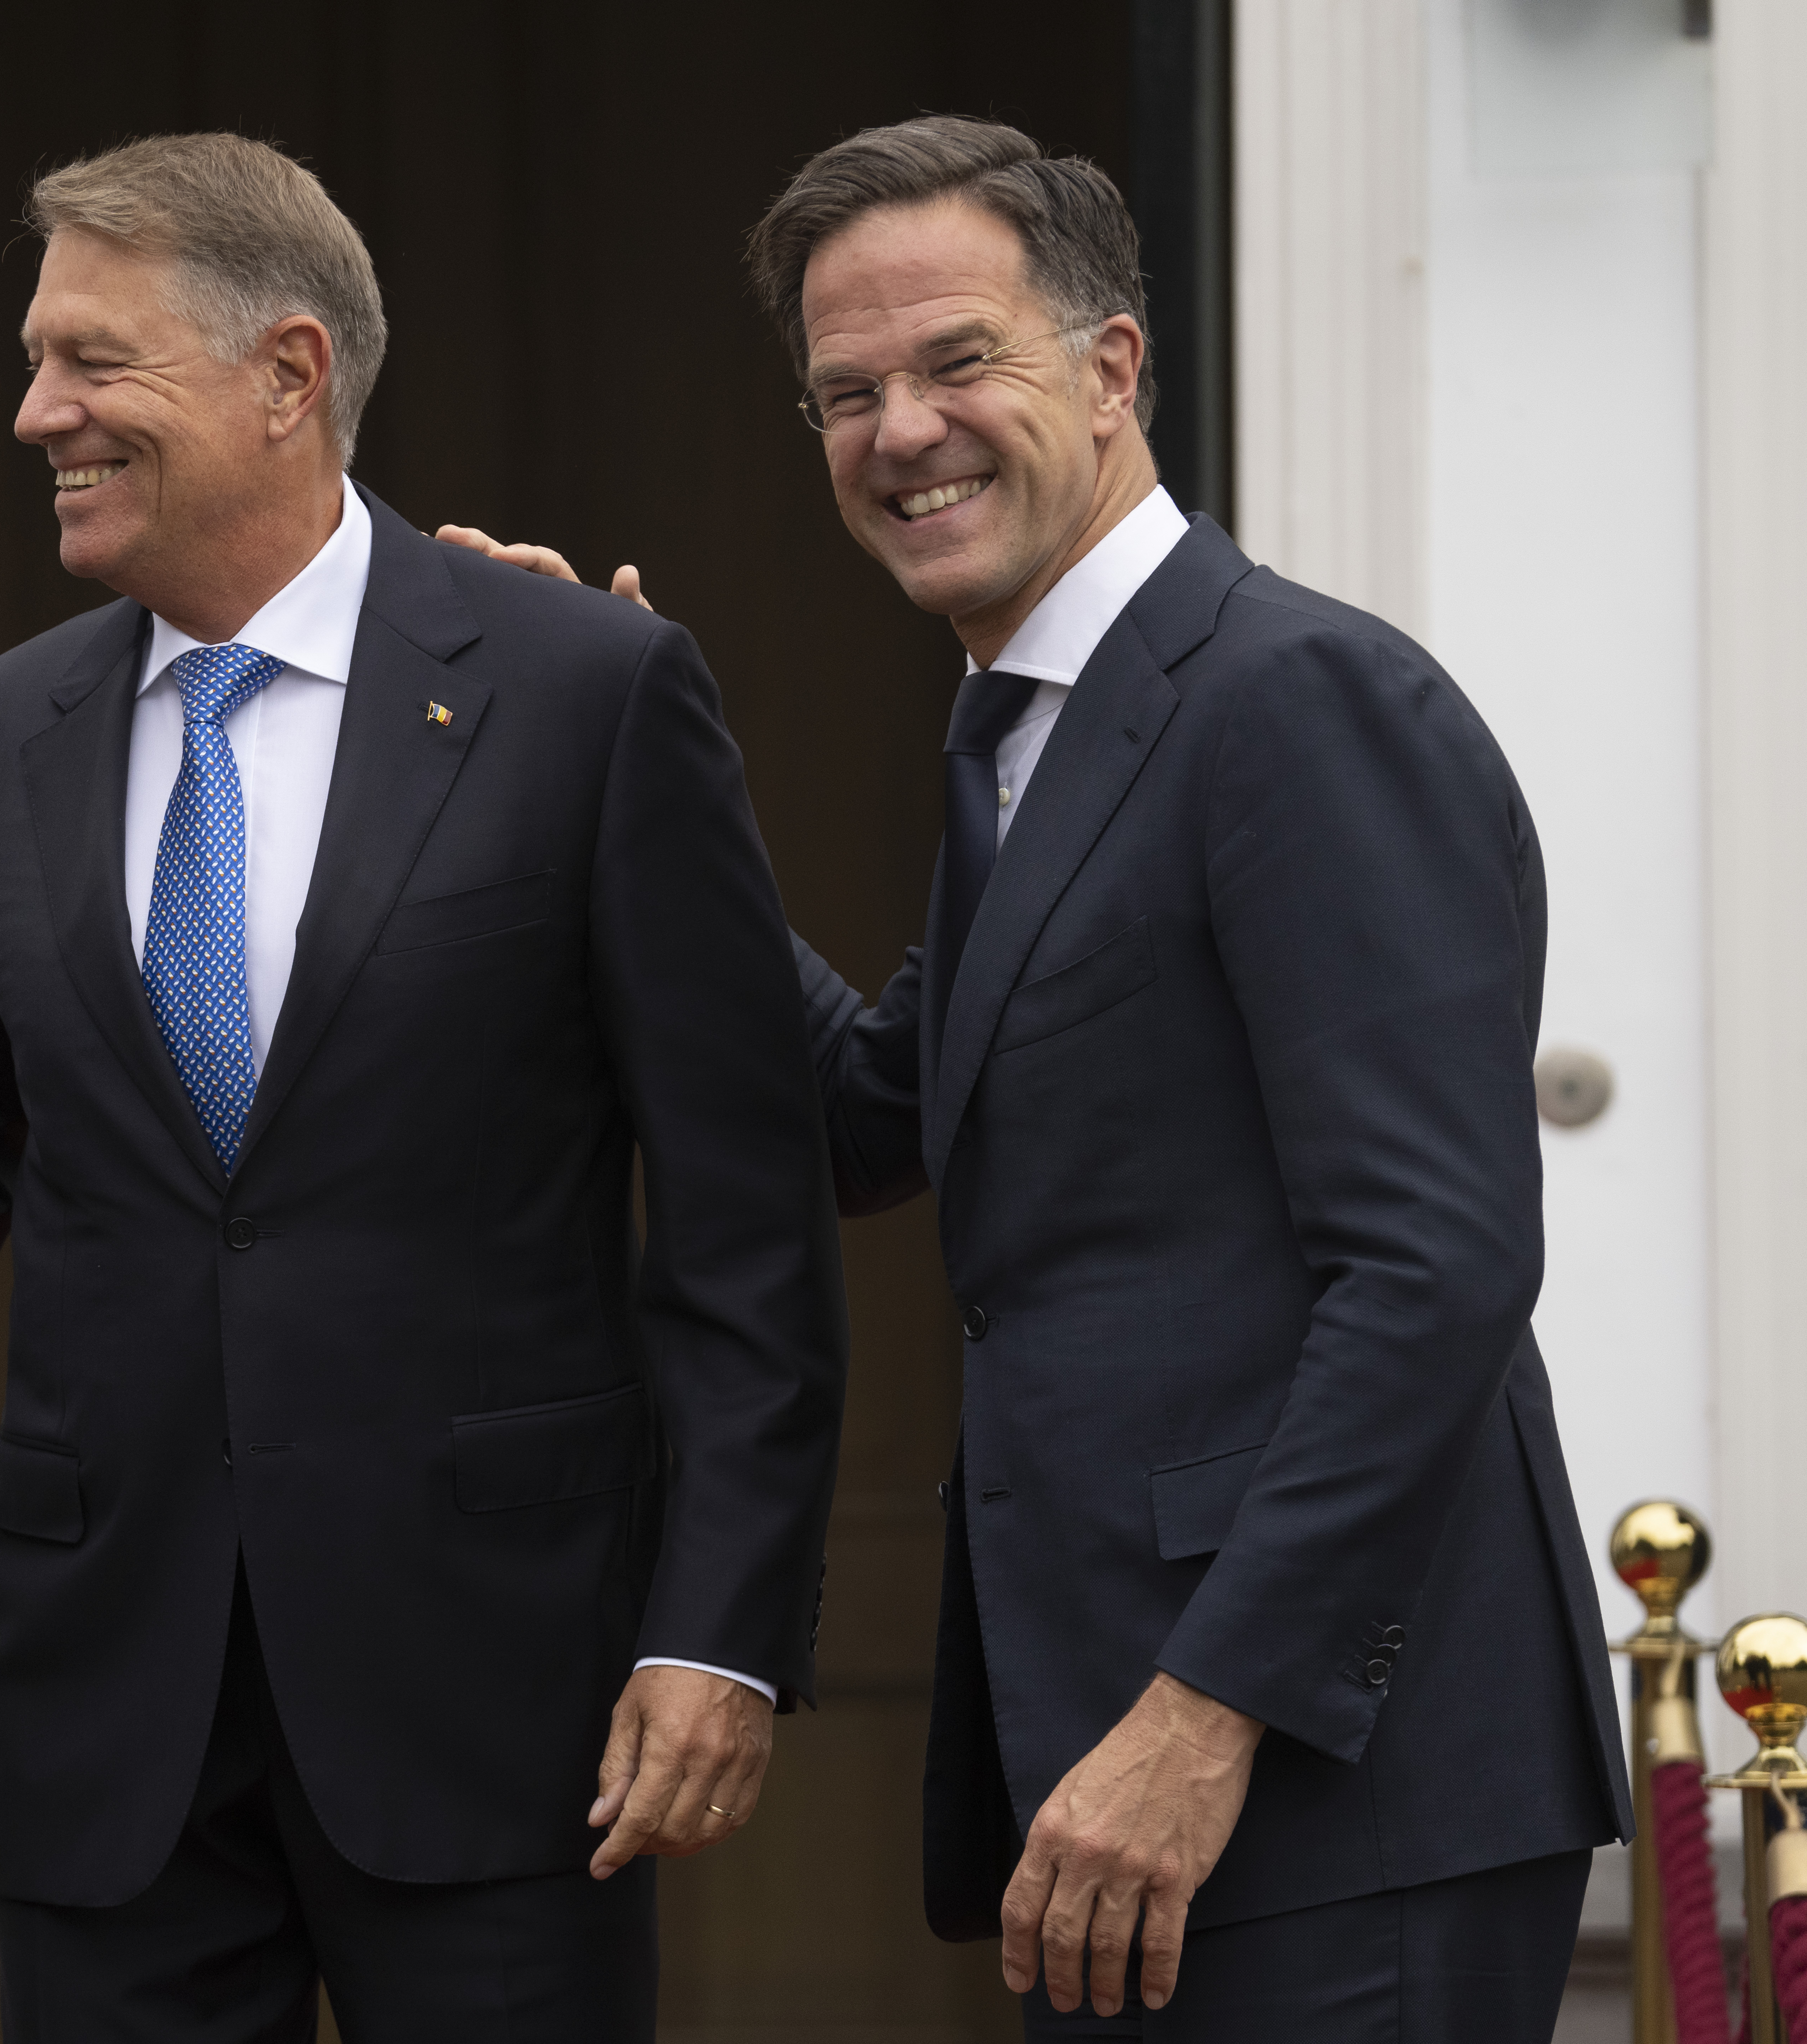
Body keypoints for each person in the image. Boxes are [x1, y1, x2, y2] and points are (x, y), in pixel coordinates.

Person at [448, 115, 1630, 2040]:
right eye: (847, 394)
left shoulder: (1293, 700)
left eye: (955, 362)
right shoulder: (1035, 742)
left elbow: (1439, 1267)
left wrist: (1203, 1716)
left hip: (1330, 1784)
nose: (900, 431)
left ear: (1110, 366)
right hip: (1119, 1777)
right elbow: (865, 1115)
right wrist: (630, 762)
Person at [0, 133, 849, 2042]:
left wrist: (720, 1632)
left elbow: (748, 1222)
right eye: (34, 361)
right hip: (115, 1714)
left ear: (288, 374)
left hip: (504, 1707)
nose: (35, 413)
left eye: (91, 361)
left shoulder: (587, 691)